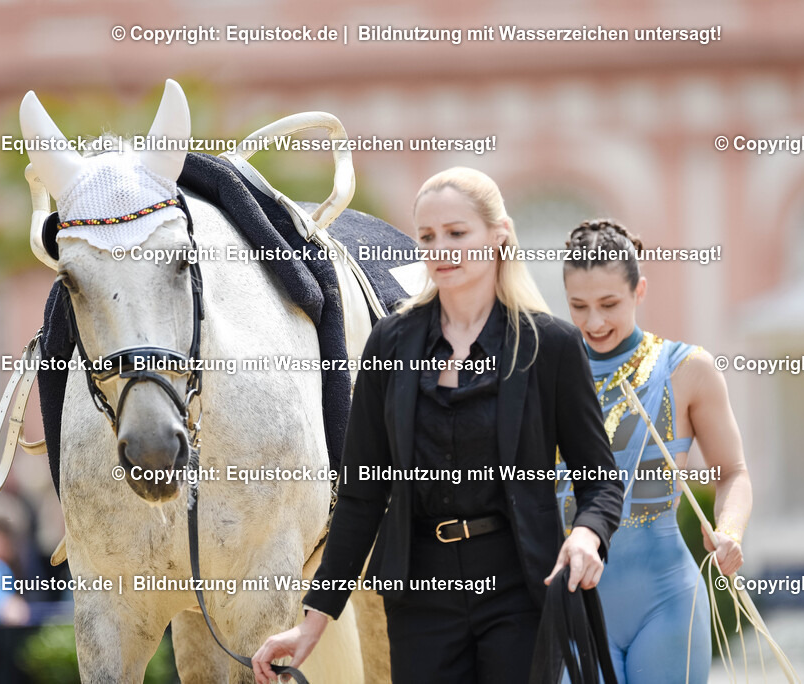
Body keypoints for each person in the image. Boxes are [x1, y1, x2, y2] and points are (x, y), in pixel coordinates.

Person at [252, 168, 624, 683]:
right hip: (420, 592)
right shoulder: (391, 343)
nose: (441, 248)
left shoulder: (550, 346)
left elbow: (600, 481)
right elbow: (361, 495)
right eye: (427, 237)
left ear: (498, 235)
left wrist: (587, 535)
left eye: (456, 233)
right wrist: (313, 622)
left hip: (522, 584)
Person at [557, 220, 752, 684]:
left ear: (639, 291)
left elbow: (733, 472)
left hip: (666, 603)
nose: (594, 322)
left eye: (609, 305)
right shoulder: (547, 373)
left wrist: (729, 531)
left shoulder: (687, 369)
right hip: (574, 600)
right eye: (578, 307)